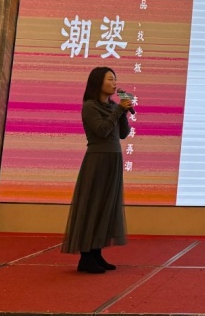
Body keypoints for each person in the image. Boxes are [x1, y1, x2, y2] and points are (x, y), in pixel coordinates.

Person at [60, 66, 134, 273]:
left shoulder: (113, 107)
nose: (114, 83)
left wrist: (123, 112)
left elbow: (123, 134)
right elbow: (102, 131)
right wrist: (118, 111)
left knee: (105, 206)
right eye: (110, 79)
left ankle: (96, 252)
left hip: (114, 160)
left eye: (115, 79)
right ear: (97, 82)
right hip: (97, 160)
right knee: (92, 205)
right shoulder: (90, 106)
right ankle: (86, 256)